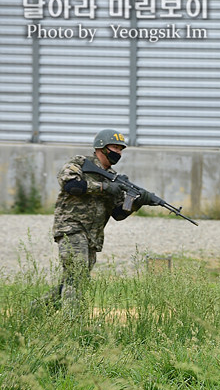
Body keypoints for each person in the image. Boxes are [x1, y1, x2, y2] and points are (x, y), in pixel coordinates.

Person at [42, 129, 157, 314]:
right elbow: (72, 185)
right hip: (71, 228)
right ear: (101, 148)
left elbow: (118, 214)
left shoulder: (116, 178)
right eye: (114, 147)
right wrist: (104, 187)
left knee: (71, 280)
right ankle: (73, 325)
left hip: (92, 238)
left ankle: (35, 311)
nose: (118, 153)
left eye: (121, 149)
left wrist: (138, 203)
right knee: (77, 278)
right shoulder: (80, 163)